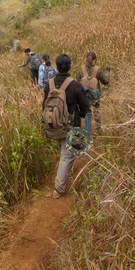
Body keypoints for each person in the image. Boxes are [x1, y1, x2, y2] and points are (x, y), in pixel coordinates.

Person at [43, 53, 90, 199]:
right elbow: (86, 108)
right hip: (71, 126)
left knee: (63, 152)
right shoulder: (75, 85)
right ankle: (59, 188)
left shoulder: (48, 84)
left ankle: (63, 176)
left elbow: (44, 105)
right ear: (69, 66)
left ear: (57, 66)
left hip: (54, 125)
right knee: (67, 156)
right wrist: (87, 129)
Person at [76, 51, 110, 135]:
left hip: (84, 93)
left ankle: (88, 132)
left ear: (86, 59)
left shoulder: (81, 69)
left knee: (87, 112)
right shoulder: (97, 69)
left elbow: (77, 82)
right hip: (96, 92)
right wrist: (107, 71)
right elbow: (105, 81)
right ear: (94, 60)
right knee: (96, 110)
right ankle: (98, 130)